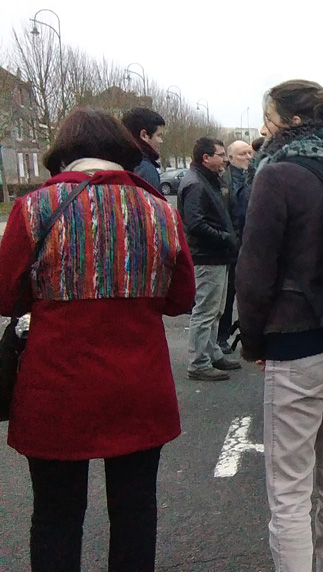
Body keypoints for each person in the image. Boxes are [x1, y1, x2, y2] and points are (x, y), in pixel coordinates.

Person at [0, 108, 195, 571]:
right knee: (134, 513)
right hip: (138, 386)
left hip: (57, 386)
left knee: (56, 515)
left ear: (62, 155)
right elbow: (180, 298)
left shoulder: (34, 209)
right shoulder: (160, 210)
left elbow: (6, 295)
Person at [236, 79, 323, 572]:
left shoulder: (279, 175)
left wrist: (253, 340)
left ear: (292, 123)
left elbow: (254, 271)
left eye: (268, 118)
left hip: (298, 343)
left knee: (290, 488)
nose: (263, 129)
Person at [179, 137, 241, 381]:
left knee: (215, 310)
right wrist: (225, 237)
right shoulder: (196, 184)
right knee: (205, 311)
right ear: (206, 158)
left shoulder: (207, 180)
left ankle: (212, 352)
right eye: (220, 154)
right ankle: (198, 362)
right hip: (207, 257)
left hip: (216, 255)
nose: (224, 158)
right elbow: (195, 223)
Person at [217, 140, 255, 354]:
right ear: (230, 158)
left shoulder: (255, 177)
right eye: (243, 154)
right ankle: (222, 336)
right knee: (228, 294)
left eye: (250, 153)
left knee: (248, 293)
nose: (248, 157)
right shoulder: (224, 181)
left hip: (248, 243)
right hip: (232, 244)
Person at [121, 107, 166, 189]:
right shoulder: (146, 170)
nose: (161, 141)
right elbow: (151, 201)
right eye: (158, 135)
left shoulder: (119, 163)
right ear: (144, 135)